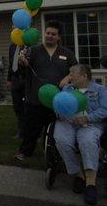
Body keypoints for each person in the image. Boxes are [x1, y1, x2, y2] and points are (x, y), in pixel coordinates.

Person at [15, 20, 78, 161]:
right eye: (48, 33)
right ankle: (25, 151)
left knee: (56, 129)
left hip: (58, 99)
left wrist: (68, 77)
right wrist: (22, 62)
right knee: (31, 128)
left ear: (59, 37)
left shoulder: (66, 53)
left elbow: (76, 70)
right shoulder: (34, 50)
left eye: (53, 34)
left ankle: (52, 152)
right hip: (35, 97)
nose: (49, 36)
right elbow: (21, 70)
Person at [54, 64, 107, 205]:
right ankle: (78, 175)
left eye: (72, 73)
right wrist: (59, 113)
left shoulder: (100, 90)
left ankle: (90, 183)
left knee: (87, 141)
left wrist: (87, 118)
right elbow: (58, 106)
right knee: (61, 139)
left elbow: (105, 110)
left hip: (90, 124)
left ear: (84, 76)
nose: (69, 76)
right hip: (68, 123)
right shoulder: (67, 89)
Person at [7, 41, 27, 139]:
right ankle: (21, 130)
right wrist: (9, 78)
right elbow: (11, 63)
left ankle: (32, 131)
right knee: (17, 106)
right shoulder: (12, 47)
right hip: (15, 79)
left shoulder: (29, 45)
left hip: (26, 79)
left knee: (28, 106)